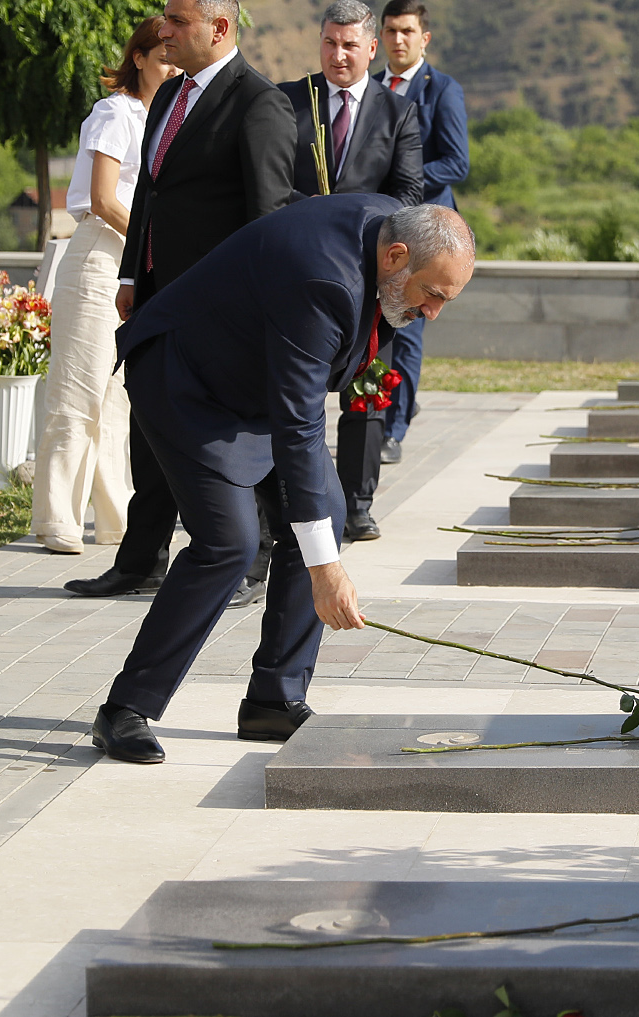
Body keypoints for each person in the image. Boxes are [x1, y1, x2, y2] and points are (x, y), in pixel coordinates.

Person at [88, 196, 475, 764]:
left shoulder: (393, 232)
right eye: (432, 294)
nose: (434, 312)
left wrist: (321, 549)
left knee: (326, 515)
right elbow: (299, 425)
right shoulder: (324, 280)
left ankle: (274, 699)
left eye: (446, 299)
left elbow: (303, 410)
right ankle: (125, 708)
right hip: (186, 381)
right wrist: (325, 571)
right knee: (229, 542)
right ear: (396, 257)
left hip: (257, 384)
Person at [64, 0, 296, 603]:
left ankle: (253, 562)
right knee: (150, 428)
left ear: (219, 28)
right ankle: (141, 560)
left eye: (177, 21)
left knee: (236, 438)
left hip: (222, 310)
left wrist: (250, 308)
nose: (163, 30)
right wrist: (132, 275)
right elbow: (150, 192)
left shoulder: (259, 103)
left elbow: (267, 218)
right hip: (159, 299)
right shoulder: (170, 94)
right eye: (165, 19)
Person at [272, 0, 424, 546]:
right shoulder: (288, 101)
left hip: (367, 278)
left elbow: (408, 194)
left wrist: (352, 223)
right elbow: (269, 180)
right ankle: (287, 503)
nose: (338, 55)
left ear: (372, 48)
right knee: (293, 394)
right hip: (294, 272)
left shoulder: (397, 112)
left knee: (365, 394)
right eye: (330, 43)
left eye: (350, 45)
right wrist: (311, 215)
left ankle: (358, 506)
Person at [32, 16, 177, 555]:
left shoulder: (168, 119)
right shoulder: (115, 112)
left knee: (118, 396)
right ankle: (57, 518)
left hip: (134, 262)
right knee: (78, 389)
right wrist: (156, 240)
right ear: (138, 59)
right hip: (99, 255)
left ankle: (117, 519)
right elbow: (102, 198)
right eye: (162, 59)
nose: (172, 69)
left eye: (177, 60)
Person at [374, 0, 470, 465]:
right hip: (379, 229)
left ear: (424, 38)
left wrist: (401, 177)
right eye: (391, 31)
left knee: (408, 327)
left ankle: (393, 431)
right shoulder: (370, 87)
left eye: (407, 31)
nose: (398, 39)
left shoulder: (442, 89)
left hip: (427, 235)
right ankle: (377, 413)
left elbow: (456, 163)